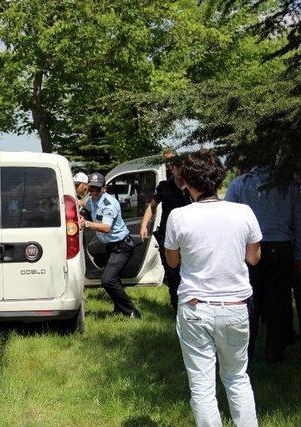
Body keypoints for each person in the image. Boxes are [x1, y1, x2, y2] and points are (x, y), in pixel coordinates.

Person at [165, 149, 261, 427]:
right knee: (237, 377)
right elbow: (253, 258)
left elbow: (172, 262)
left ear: (187, 182)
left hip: (196, 308)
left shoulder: (179, 217)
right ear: (218, 179)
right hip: (235, 307)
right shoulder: (243, 212)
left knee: (203, 387)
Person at [225, 165, 301, 363]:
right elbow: (297, 221)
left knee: (250, 303)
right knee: (279, 303)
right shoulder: (288, 185)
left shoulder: (239, 184)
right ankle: (274, 353)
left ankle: (244, 353)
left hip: (251, 248)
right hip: (280, 247)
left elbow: (228, 221)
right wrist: (298, 254)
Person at [84, 172, 141, 318]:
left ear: (104, 188)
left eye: (97, 189)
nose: (93, 192)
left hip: (121, 246)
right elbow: (83, 203)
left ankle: (132, 312)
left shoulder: (109, 204)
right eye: (90, 189)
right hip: (110, 245)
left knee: (108, 280)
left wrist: (85, 223)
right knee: (114, 280)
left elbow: (106, 227)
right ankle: (119, 309)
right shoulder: (92, 200)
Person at [140, 151, 191, 312]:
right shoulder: (164, 186)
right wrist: (144, 224)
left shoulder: (193, 186)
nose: (173, 168)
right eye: (171, 165)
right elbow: (152, 206)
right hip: (168, 236)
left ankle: (190, 302)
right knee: (172, 272)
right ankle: (177, 306)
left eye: (177, 165)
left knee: (189, 271)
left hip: (189, 237)